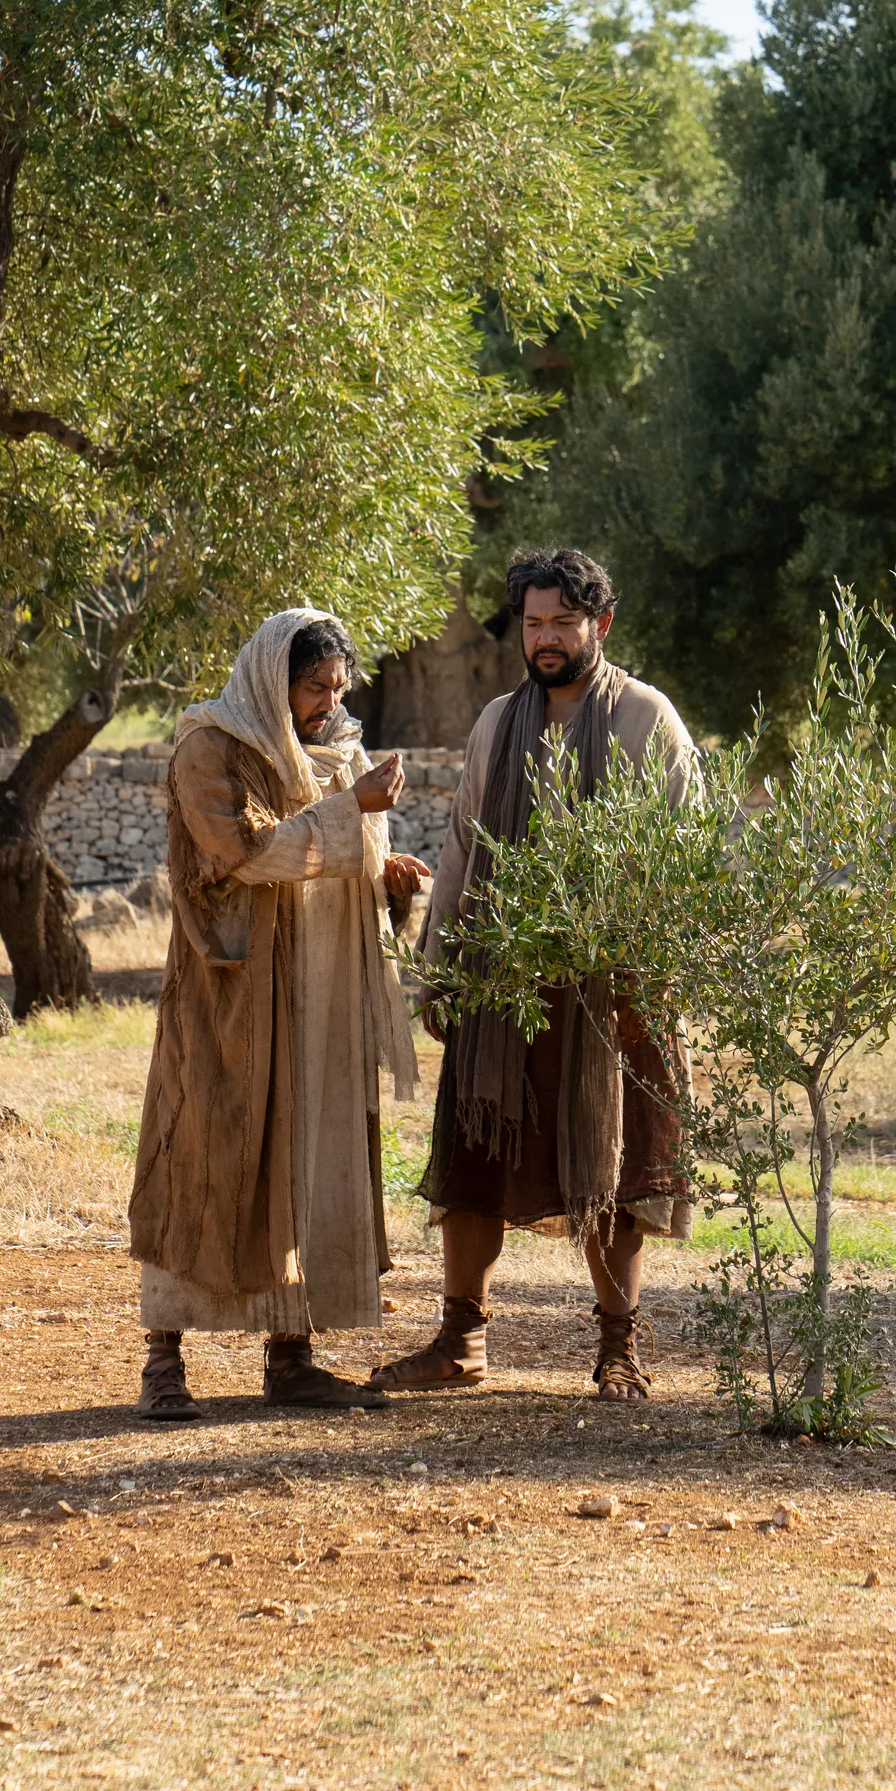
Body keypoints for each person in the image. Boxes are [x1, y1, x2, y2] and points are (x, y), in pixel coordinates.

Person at [372, 547, 700, 1400]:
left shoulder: (645, 719)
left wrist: (653, 979)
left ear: (602, 623)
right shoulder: (496, 724)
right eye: (534, 622)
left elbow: (687, 856)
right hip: (502, 982)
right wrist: (442, 971)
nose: (546, 638)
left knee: (613, 1169)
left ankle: (620, 1347)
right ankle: (459, 1344)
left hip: (614, 988)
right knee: (476, 1158)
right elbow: (462, 850)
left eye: (562, 621)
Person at [124, 610, 432, 1422]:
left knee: (304, 1162)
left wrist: (383, 873)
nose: (326, 702)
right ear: (272, 678)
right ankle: (164, 1361)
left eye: (337, 687)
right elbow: (242, 855)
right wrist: (350, 815)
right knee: (205, 1154)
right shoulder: (210, 750)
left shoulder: (338, 749)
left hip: (318, 998)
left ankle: (292, 1357)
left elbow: (340, 854)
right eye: (312, 686)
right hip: (232, 1000)